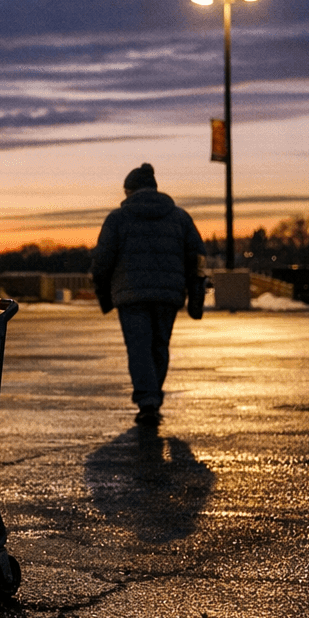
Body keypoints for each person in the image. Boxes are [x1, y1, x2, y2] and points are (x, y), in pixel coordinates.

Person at [91, 163, 205, 428]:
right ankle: (153, 397)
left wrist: (104, 293)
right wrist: (194, 290)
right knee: (159, 345)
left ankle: (148, 402)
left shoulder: (117, 219)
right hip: (169, 294)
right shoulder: (179, 217)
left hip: (131, 295)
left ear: (130, 190)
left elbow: (102, 262)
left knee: (139, 347)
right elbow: (197, 258)